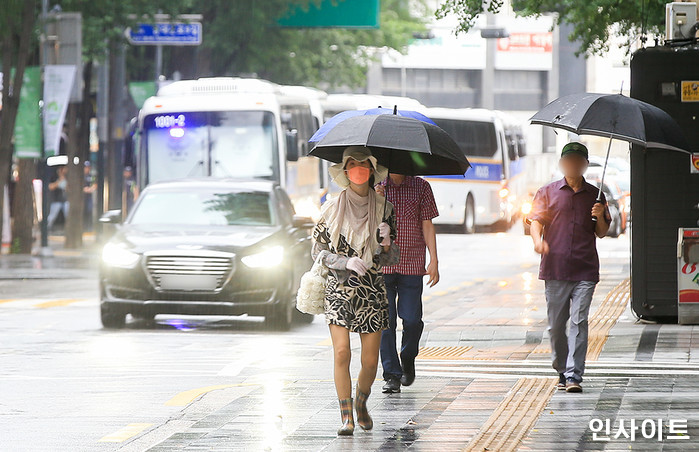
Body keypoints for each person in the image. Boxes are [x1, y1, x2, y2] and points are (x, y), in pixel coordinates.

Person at [311, 146, 400, 436]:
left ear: (372, 171)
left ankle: (361, 402)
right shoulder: (331, 208)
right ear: (345, 171)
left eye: (364, 165)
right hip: (339, 288)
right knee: (340, 353)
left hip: (372, 292)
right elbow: (318, 252)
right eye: (353, 165)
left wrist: (386, 243)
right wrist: (344, 261)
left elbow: (390, 260)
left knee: (370, 361)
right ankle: (346, 416)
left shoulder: (385, 208)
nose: (358, 170)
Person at [528, 142, 611, 393]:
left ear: (585, 164)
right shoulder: (547, 192)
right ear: (562, 164)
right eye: (569, 160)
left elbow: (602, 232)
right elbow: (535, 222)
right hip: (555, 269)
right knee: (556, 326)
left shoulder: (596, 195)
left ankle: (574, 375)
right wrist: (537, 241)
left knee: (579, 321)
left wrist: (601, 213)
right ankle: (562, 369)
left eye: (578, 161)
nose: (573, 165)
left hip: (585, 269)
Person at [376, 173, 439, 394]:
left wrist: (434, 260)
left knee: (412, 320)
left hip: (412, 263)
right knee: (386, 322)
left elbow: (427, 223)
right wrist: (375, 202)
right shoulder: (376, 186)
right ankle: (391, 374)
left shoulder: (421, 187)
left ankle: (408, 356)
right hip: (382, 265)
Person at [47, 166, 69, 232]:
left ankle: (68, 228)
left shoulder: (67, 178)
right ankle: (48, 227)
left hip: (65, 200)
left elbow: (68, 188)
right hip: (56, 200)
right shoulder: (54, 177)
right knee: (52, 216)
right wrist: (59, 180)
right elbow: (50, 187)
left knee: (68, 214)